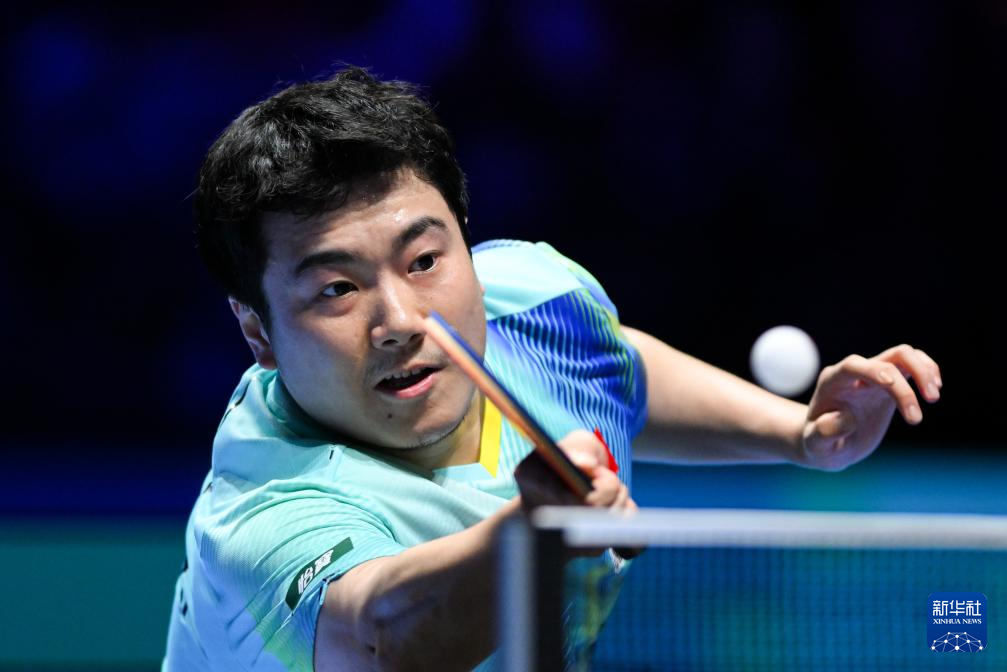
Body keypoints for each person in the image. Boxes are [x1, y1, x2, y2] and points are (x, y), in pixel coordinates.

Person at [162, 66, 942, 672]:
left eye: (424, 259)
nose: (400, 320)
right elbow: (384, 640)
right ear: (257, 331)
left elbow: (612, 368)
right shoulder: (265, 511)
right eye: (337, 289)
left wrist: (800, 434)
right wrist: (531, 531)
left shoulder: (534, 299)